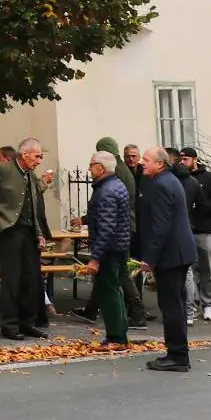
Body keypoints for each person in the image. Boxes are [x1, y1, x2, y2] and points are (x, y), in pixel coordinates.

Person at [0, 138, 53, 340]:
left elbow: (34, 205)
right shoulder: (4, 169)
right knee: (12, 280)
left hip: (29, 232)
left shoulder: (30, 175)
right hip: (10, 230)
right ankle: (9, 325)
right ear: (24, 154)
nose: (39, 160)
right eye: (37, 156)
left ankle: (27, 323)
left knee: (31, 279)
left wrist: (39, 233)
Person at [136, 146, 196, 372]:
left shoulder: (161, 185)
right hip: (180, 251)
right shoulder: (170, 181)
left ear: (159, 164)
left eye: (146, 159)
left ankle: (177, 355)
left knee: (171, 306)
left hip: (171, 254)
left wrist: (149, 259)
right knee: (176, 305)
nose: (143, 162)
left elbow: (160, 226)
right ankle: (179, 353)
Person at [81, 150, 133, 350]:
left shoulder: (106, 190)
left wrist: (95, 258)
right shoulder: (116, 184)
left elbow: (106, 227)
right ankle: (121, 334)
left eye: (92, 164)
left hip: (109, 249)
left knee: (108, 290)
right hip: (118, 246)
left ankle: (116, 338)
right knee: (115, 289)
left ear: (100, 167)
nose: (89, 167)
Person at [175, 147, 211, 323]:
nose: (182, 162)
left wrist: (203, 208)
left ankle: (209, 304)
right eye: (181, 159)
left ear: (195, 160)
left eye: (186, 159)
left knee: (207, 268)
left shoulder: (209, 179)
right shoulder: (180, 179)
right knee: (188, 270)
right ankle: (191, 304)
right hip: (186, 230)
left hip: (204, 229)